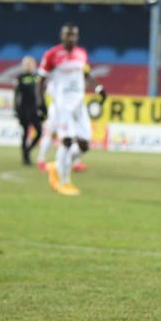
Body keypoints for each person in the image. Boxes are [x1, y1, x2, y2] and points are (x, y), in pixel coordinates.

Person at [38, 23, 104, 196]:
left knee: (84, 144)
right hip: (62, 104)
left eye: (73, 35)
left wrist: (98, 88)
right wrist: (41, 102)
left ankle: (57, 166)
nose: (71, 38)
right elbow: (41, 79)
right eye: (68, 34)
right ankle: (63, 181)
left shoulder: (81, 53)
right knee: (67, 141)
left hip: (79, 103)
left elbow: (86, 74)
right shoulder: (52, 55)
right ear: (62, 36)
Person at [15, 56, 44, 166]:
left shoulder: (37, 77)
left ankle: (28, 150)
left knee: (39, 132)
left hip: (34, 109)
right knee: (25, 133)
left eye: (30, 64)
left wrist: (42, 108)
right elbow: (17, 95)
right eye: (26, 64)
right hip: (23, 109)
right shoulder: (21, 77)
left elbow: (40, 95)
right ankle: (25, 157)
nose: (28, 66)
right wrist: (16, 110)